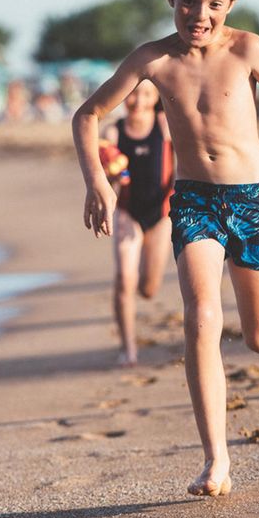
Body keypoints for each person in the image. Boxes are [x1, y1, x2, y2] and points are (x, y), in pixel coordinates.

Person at [72, 0, 259, 497]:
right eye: (189, 0)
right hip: (193, 202)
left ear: (231, 6)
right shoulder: (153, 60)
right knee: (201, 317)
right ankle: (216, 461)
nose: (200, 13)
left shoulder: (246, 49)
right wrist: (97, 180)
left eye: (215, 4)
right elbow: (87, 115)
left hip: (252, 200)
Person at [102, 79, 174, 367]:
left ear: (155, 95)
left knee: (148, 288)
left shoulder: (165, 124)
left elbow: (186, 163)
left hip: (161, 214)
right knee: (124, 279)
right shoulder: (113, 131)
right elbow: (104, 179)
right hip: (128, 212)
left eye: (146, 93)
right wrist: (111, 173)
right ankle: (128, 349)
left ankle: (144, 293)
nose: (138, 100)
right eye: (133, 94)